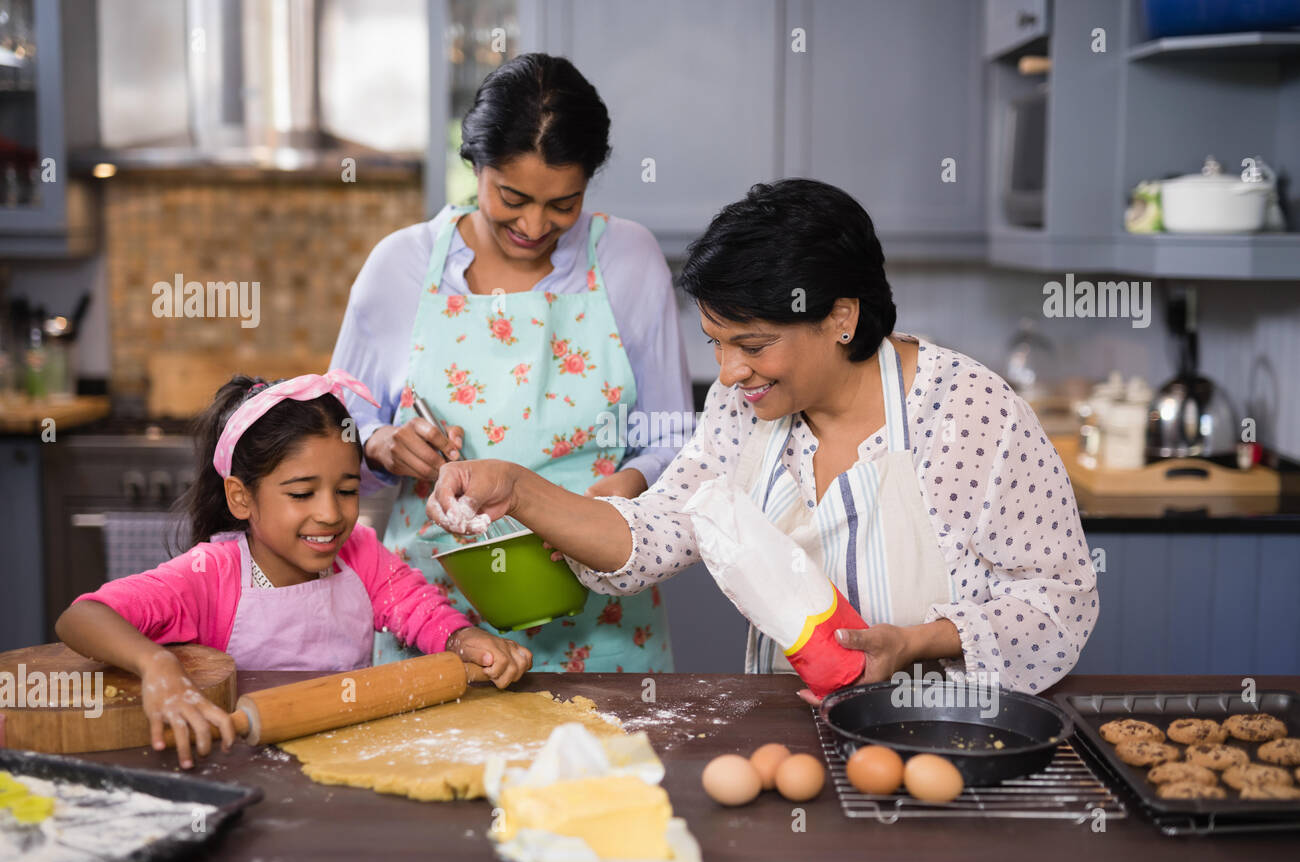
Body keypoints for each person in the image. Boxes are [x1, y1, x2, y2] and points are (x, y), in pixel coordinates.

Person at [425, 179, 1099, 697]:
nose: (727, 373)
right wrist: (516, 487)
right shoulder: (741, 408)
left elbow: (1062, 601)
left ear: (840, 318)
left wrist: (915, 643)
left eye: (751, 345)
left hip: (953, 737)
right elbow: (653, 536)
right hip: (794, 721)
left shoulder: (969, 412)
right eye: (715, 344)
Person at [331, 53, 691, 673]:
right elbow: (332, 444)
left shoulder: (629, 261)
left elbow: (672, 439)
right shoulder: (400, 269)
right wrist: (379, 445)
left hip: (601, 619)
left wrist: (626, 489)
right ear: (474, 163)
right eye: (512, 197)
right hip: (435, 619)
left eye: (563, 204)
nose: (534, 224)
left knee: (605, 770)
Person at [55, 371, 531, 769]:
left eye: (346, 490)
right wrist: (157, 665)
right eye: (302, 494)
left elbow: (418, 609)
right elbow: (82, 617)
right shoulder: (210, 574)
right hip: (238, 762)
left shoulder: (359, 553)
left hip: (349, 758)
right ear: (241, 497)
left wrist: (463, 641)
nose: (329, 513)